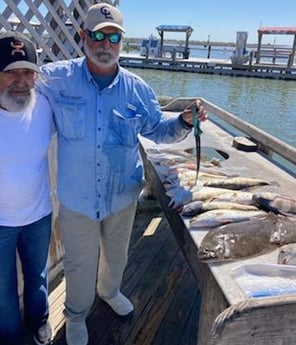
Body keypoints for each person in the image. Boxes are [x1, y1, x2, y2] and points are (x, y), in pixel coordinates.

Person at [38, 3, 208, 345]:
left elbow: (159, 129)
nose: (105, 44)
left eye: (113, 37)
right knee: (78, 263)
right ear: (83, 36)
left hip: (122, 193)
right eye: (97, 35)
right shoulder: (54, 79)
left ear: (121, 42)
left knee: (117, 254)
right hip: (77, 197)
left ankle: (110, 291)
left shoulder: (138, 89)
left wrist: (184, 122)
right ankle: (75, 314)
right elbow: (20, 85)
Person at [0, 31, 53, 345]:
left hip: (39, 215)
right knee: (2, 291)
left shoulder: (45, 106)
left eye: (28, 72)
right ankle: (9, 337)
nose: (20, 81)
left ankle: (39, 322)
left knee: (38, 279)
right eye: (10, 72)